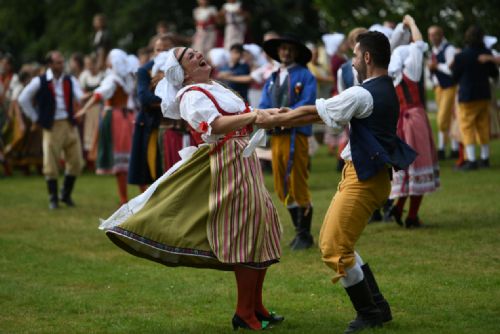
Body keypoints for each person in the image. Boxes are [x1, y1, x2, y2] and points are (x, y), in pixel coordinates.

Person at [99, 47, 283, 331]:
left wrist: (274, 114)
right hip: (227, 164)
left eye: (196, 51)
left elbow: (247, 114)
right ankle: (243, 313)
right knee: (247, 234)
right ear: (183, 73)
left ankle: (256, 306)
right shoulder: (191, 95)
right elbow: (216, 125)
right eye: (189, 56)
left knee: (262, 227)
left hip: (244, 158)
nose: (198, 54)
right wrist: (255, 117)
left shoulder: (214, 87)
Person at [255, 30, 416, 334]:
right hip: (367, 176)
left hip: (363, 179)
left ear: (367, 57)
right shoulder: (382, 86)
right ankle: (378, 307)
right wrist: (286, 115)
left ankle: (368, 313)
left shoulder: (362, 93)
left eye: (355, 55)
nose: (352, 60)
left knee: (333, 247)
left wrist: (275, 118)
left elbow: (317, 111)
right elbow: (321, 114)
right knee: (342, 245)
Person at [259, 34, 317, 250]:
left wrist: (287, 116)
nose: (285, 52)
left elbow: (308, 101)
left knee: (298, 182)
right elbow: (265, 102)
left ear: (296, 52)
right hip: (278, 138)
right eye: (282, 48)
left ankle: (305, 234)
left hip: (296, 136)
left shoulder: (305, 75)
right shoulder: (273, 77)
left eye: (289, 48)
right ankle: (298, 231)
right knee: (281, 185)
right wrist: (270, 117)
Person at [385, 16, 440, 228]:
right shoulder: (412, 71)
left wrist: (402, 27)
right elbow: (419, 44)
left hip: (396, 120)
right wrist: (412, 23)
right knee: (420, 163)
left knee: (405, 168)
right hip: (414, 118)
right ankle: (411, 215)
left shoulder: (388, 74)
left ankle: (399, 207)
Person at [18, 51, 84, 209]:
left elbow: (80, 96)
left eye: (62, 62)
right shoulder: (39, 81)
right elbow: (23, 99)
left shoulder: (70, 80)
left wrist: (94, 95)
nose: (62, 65)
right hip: (51, 125)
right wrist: (36, 118)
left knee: (76, 162)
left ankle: (65, 194)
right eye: (58, 62)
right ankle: (53, 198)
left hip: (69, 123)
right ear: (50, 64)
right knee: (51, 163)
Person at [76, 49, 136, 205]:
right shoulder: (126, 78)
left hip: (115, 118)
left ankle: (124, 199)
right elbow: (101, 91)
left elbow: (99, 95)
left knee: (120, 162)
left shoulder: (113, 79)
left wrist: (83, 109)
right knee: (131, 158)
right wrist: (90, 94)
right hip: (128, 116)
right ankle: (143, 193)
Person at [128, 33, 180, 191]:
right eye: (159, 49)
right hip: (153, 124)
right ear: (154, 51)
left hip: (177, 126)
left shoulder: (181, 69)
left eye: (167, 49)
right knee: (152, 166)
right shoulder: (145, 71)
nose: (163, 52)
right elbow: (144, 98)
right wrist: (170, 101)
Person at [451, 25, 499, 170]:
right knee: (483, 125)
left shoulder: (461, 56)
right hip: (484, 94)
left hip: (467, 96)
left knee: (467, 127)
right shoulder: (487, 53)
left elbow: (454, 77)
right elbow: (494, 74)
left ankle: (471, 160)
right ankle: (485, 159)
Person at [427, 25, 459, 160]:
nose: (433, 38)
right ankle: (452, 149)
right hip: (439, 88)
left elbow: (452, 70)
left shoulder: (449, 49)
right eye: (431, 35)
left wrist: (436, 66)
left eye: (436, 34)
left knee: (443, 118)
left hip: (450, 87)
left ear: (442, 35)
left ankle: (442, 148)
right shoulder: (433, 51)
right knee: (449, 118)